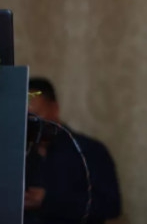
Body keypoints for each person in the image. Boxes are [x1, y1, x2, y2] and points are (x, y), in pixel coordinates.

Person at [25, 77, 122, 224]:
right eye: (25, 118)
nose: (30, 123)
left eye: (36, 116)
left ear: (54, 108)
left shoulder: (89, 151)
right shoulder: (17, 154)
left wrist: (49, 200)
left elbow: (111, 206)